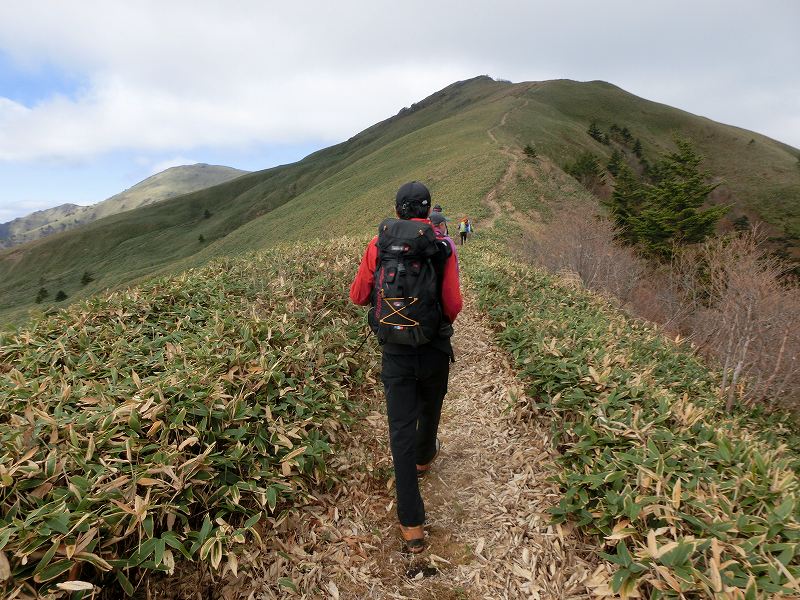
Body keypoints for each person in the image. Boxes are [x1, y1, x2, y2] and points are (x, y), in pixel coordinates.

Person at [349, 181, 462, 554]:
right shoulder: (442, 246)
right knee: (432, 403)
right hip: (432, 347)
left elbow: (358, 295)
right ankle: (425, 455)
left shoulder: (378, 245)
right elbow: (453, 305)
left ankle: (411, 524)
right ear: (428, 212)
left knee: (399, 429)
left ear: (397, 210)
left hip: (394, 352)